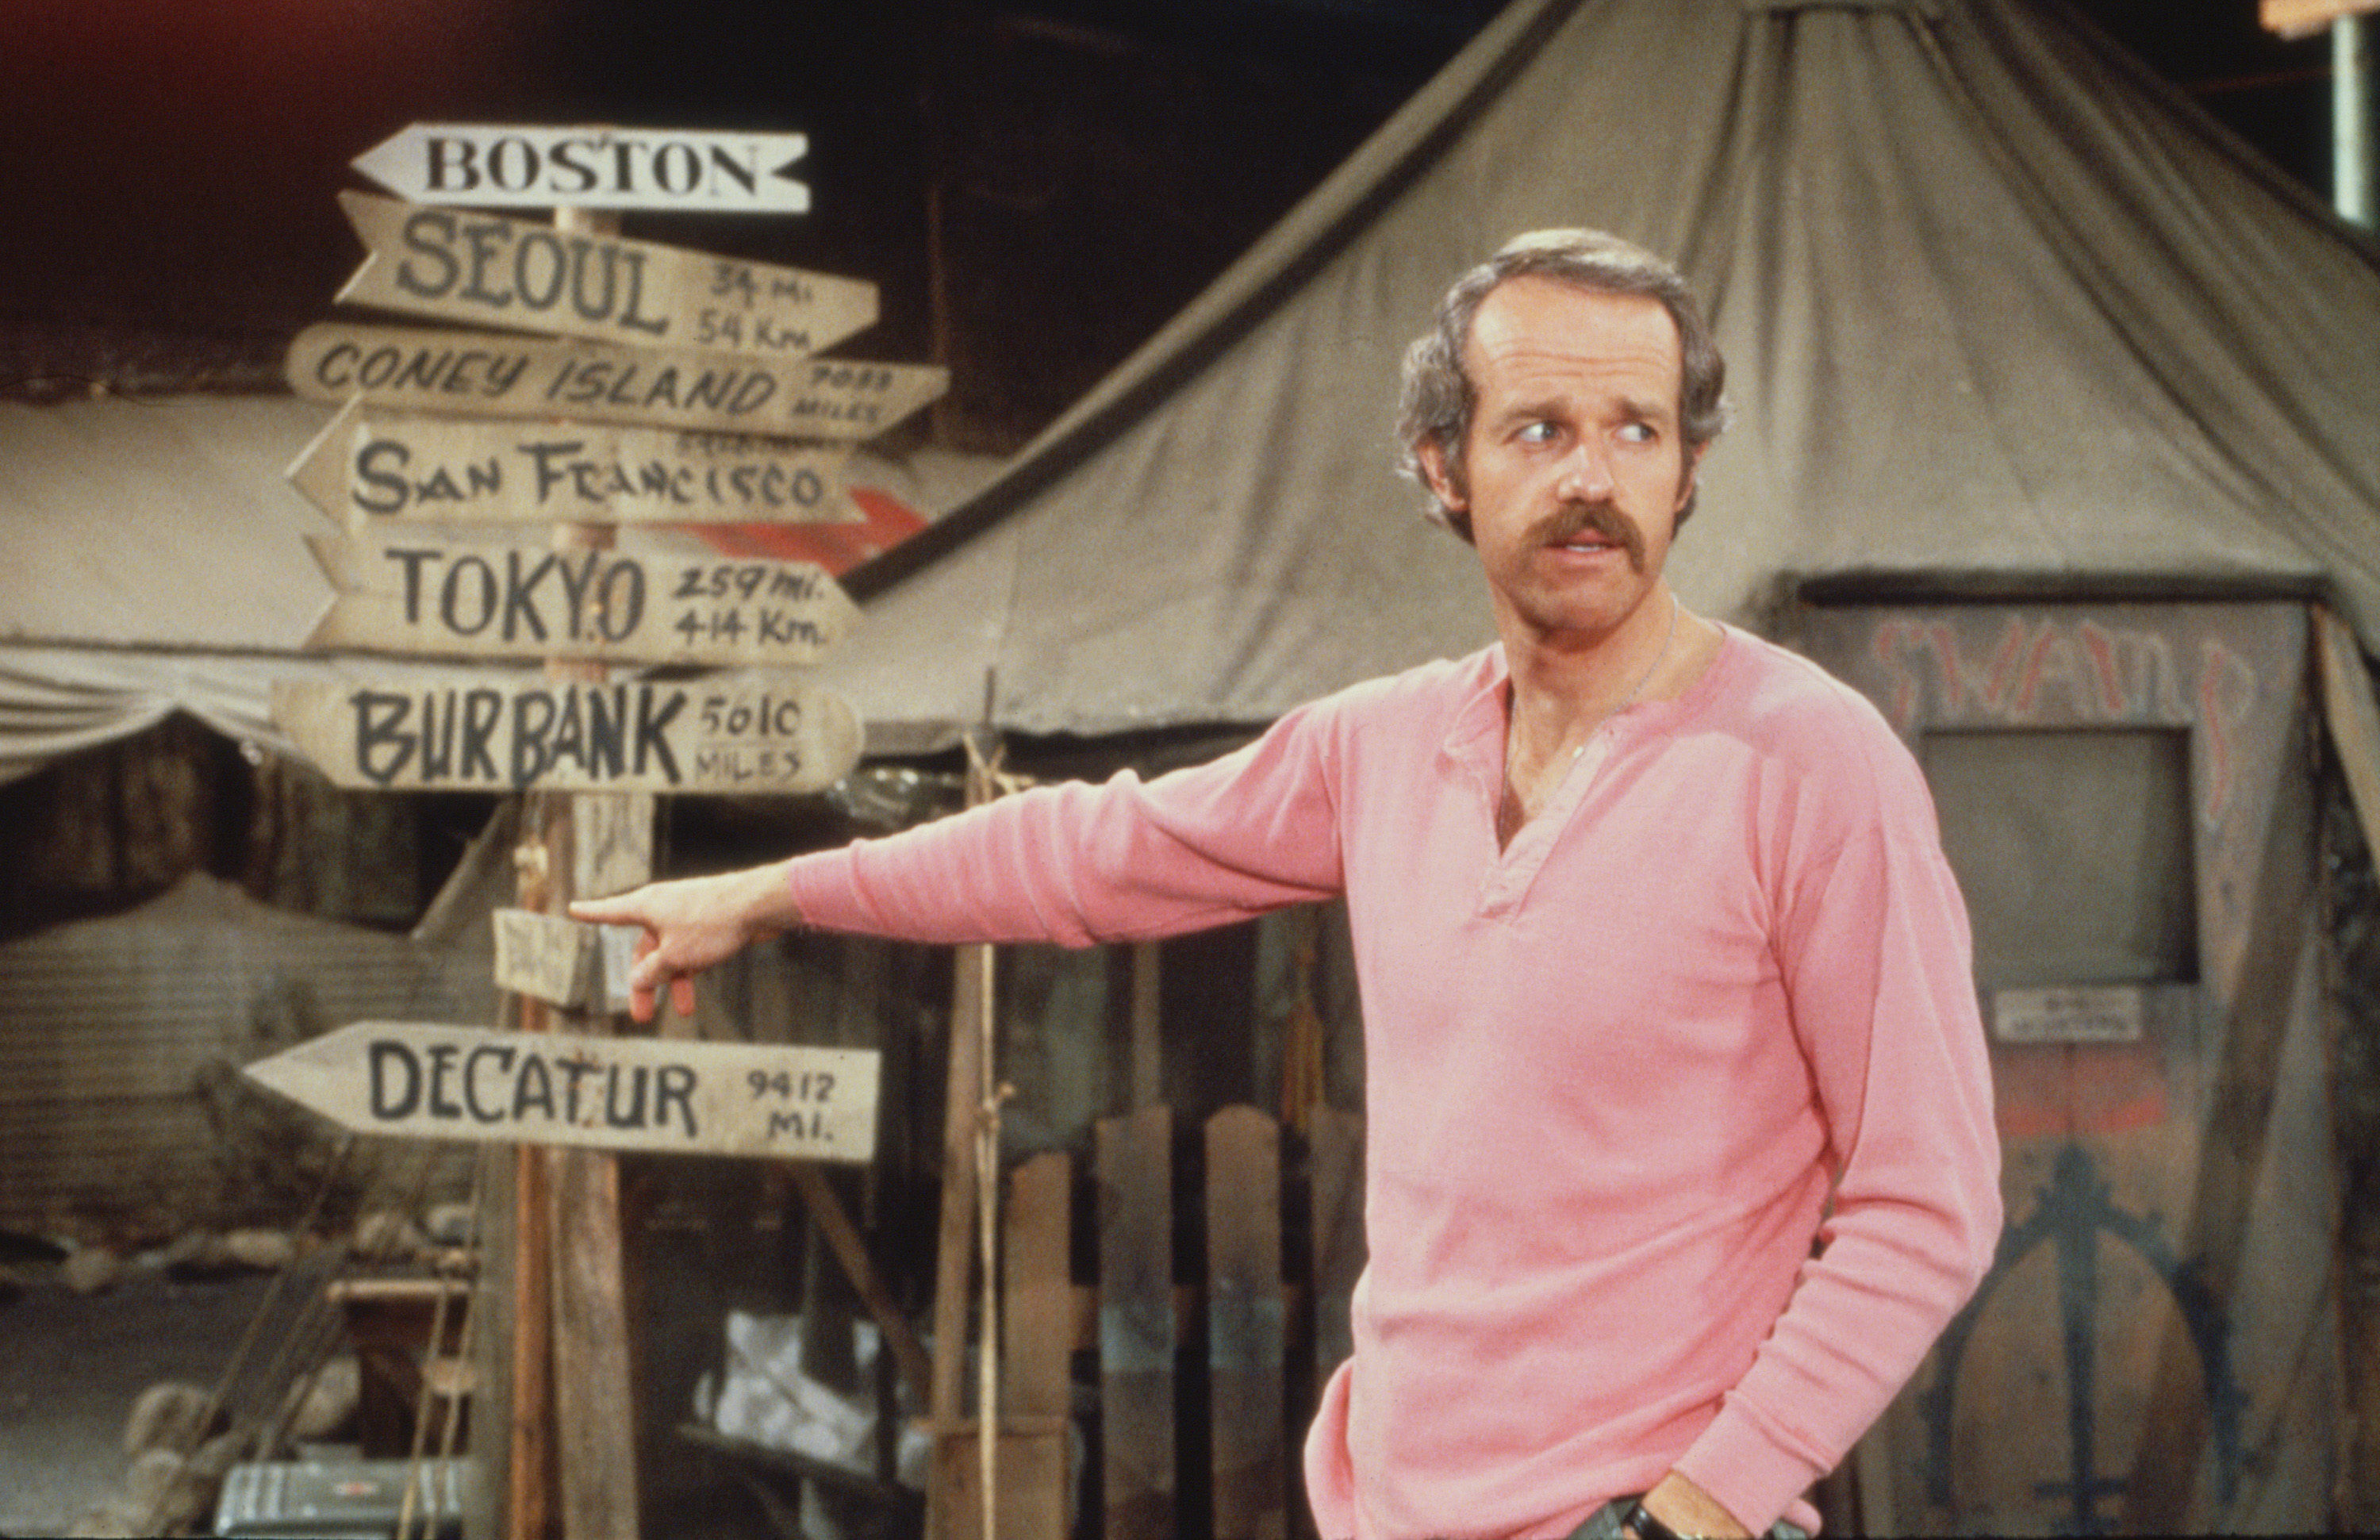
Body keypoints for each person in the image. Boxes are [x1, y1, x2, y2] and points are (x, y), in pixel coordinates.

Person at [573, 229, 2002, 1540]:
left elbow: (1926, 1202)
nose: (1592, 477)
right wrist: (776, 892)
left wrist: (1700, 1511)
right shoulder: (1383, 746)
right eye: (1540, 430)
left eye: (1639, 429)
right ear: (1446, 467)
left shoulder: (1815, 767)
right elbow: (1091, 851)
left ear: (1688, 468)